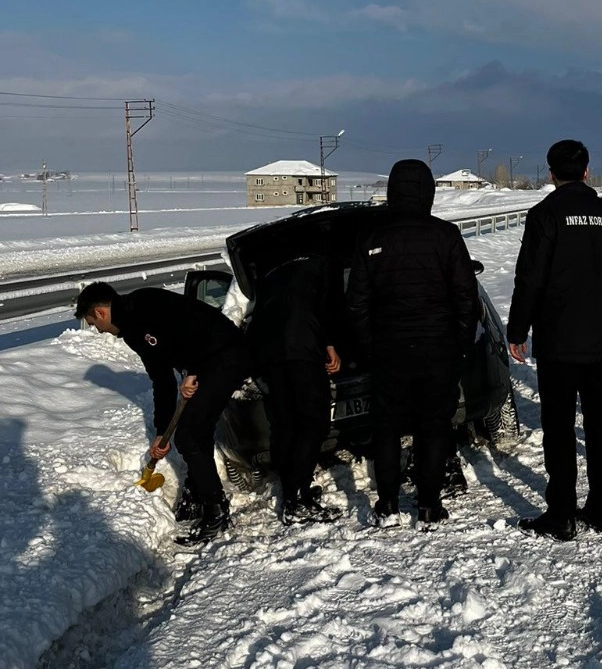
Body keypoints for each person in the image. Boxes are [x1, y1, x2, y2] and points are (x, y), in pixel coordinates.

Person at [507, 139, 602, 540]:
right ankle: (601, 509)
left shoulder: (545, 214)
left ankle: (562, 514)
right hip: (600, 338)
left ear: (551, 174)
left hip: (558, 340)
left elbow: (529, 279)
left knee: (560, 426)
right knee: (599, 422)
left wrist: (518, 330)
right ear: (587, 171)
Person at [345, 158, 478, 525]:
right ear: (428, 192)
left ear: (391, 190)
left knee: (386, 425)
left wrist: (368, 347)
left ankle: (387, 504)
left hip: (389, 349)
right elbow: (466, 296)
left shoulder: (371, 237)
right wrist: (461, 344)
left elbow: (356, 302)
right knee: (433, 425)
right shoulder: (446, 234)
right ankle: (429, 505)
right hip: (438, 348)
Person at [74, 282, 251, 543]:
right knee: (194, 430)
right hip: (209, 360)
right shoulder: (133, 332)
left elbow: (193, 328)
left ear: (100, 312)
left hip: (226, 353)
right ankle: (197, 491)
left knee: (190, 435)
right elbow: (162, 380)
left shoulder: (146, 302)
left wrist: (194, 371)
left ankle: (216, 511)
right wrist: (160, 432)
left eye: (92, 323)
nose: (97, 331)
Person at [244, 254, 343, 524]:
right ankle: (297, 499)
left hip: (270, 356)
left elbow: (256, 315)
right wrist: (330, 344)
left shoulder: (271, 273)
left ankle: (292, 494)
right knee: (314, 423)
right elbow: (328, 307)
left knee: (286, 424)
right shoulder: (324, 265)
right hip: (302, 350)